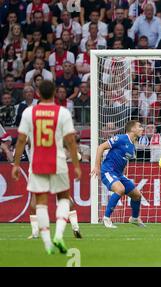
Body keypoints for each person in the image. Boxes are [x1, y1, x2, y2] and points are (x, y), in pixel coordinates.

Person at [12, 80, 81, 254]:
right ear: (54, 94)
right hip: (57, 161)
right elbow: (71, 140)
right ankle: (59, 234)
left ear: (38, 94)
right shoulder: (62, 112)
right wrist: (76, 164)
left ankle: (47, 242)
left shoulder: (29, 112)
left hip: (37, 162)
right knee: (64, 198)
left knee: (40, 202)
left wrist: (16, 164)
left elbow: (21, 139)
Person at [90, 120, 146, 229]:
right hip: (108, 171)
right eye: (139, 126)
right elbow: (101, 147)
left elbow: (122, 160)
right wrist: (97, 166)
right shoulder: (121, 138)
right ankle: (106, 218)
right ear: (132, 129)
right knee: (120, 189)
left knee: (137, 195)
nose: (142, 129)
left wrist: (121, 175)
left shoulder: (132, 145)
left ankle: (134, 218)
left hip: (119, 174)